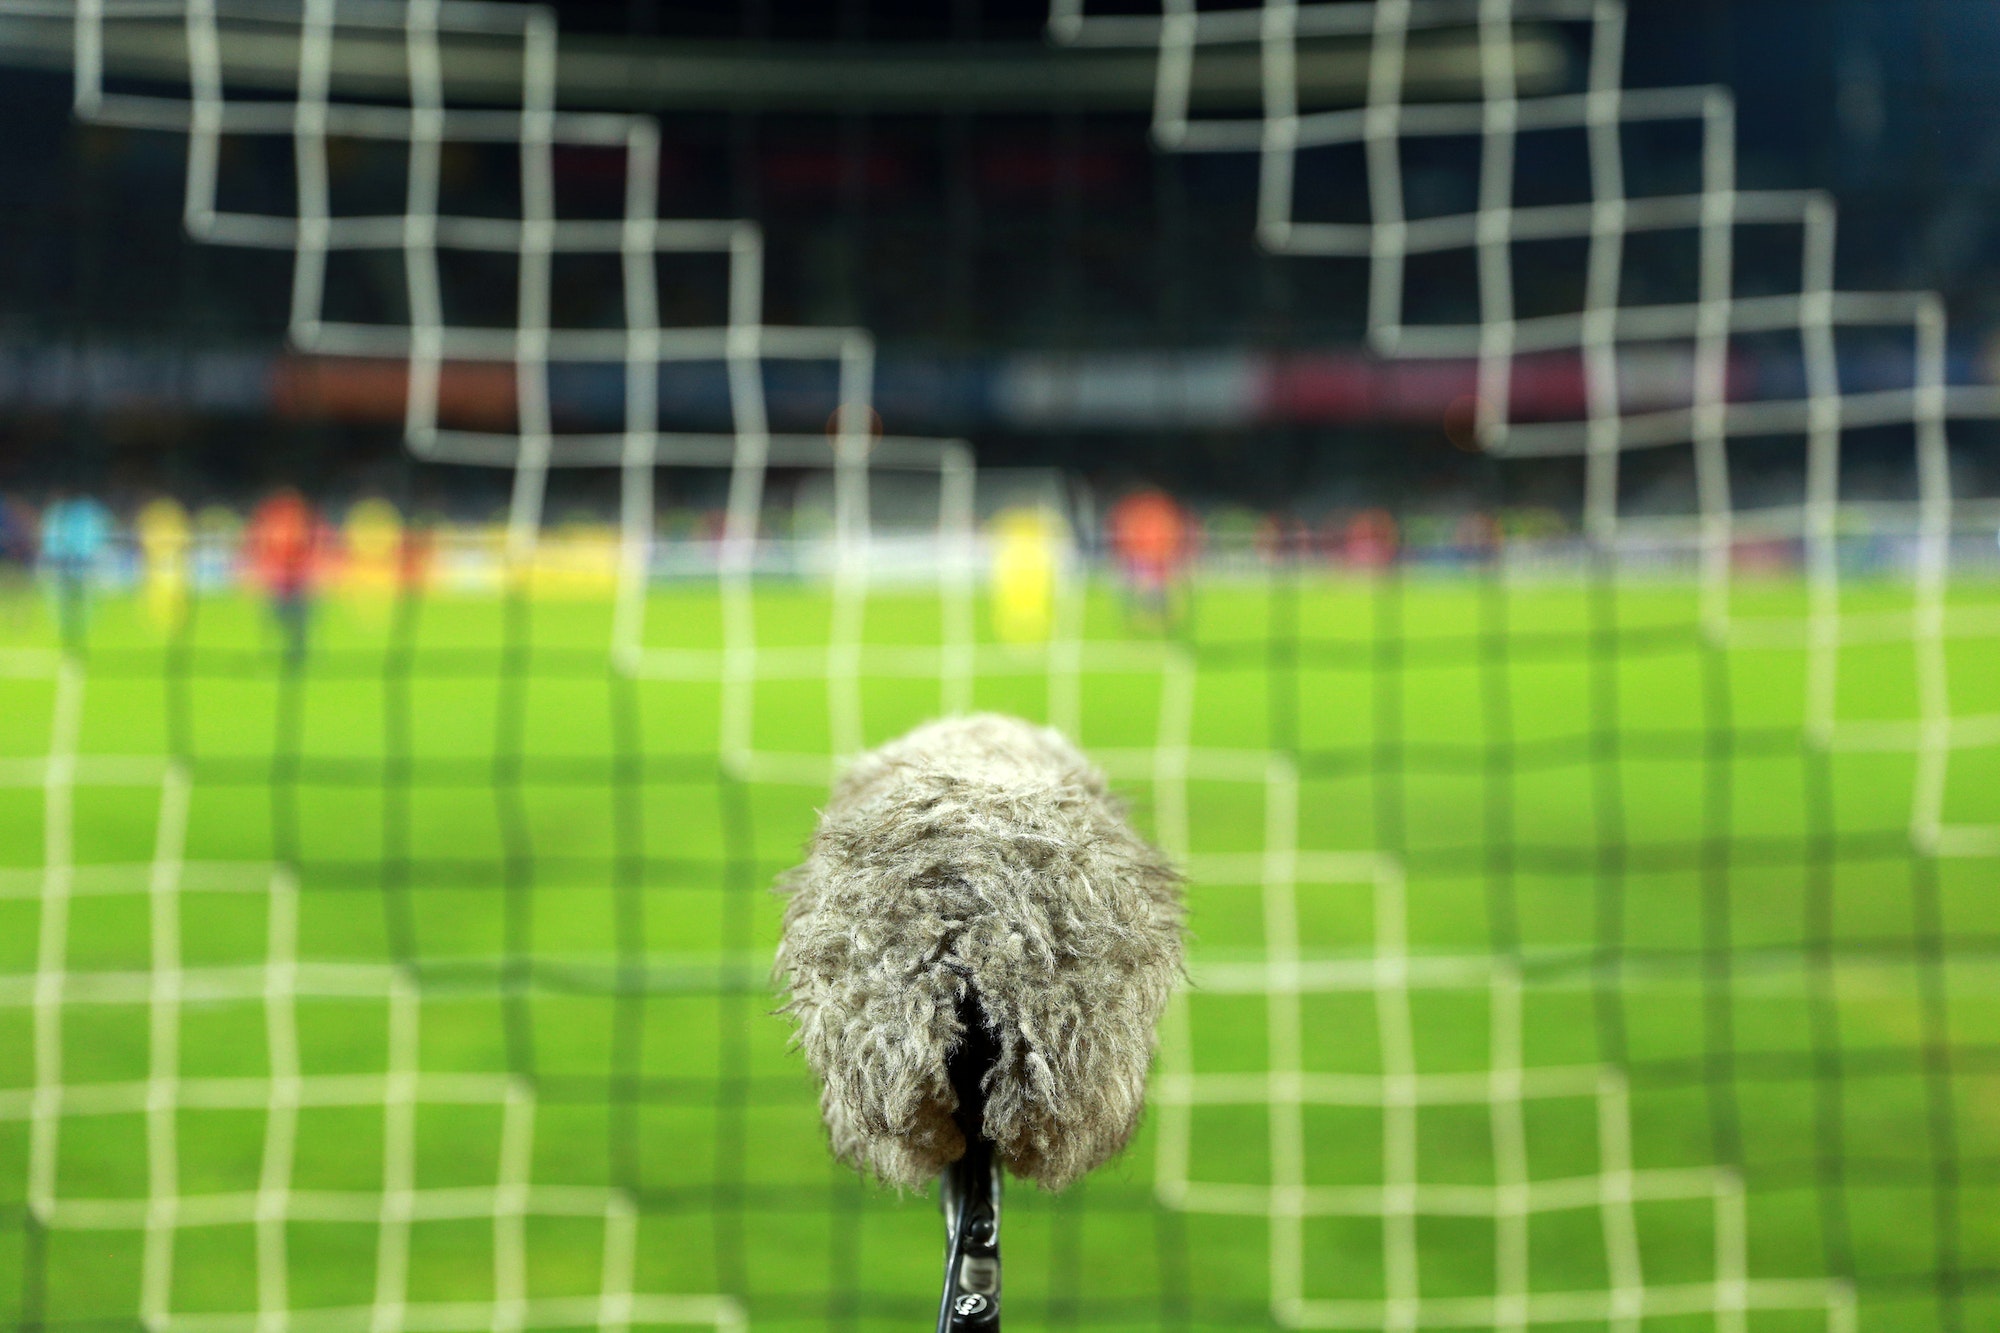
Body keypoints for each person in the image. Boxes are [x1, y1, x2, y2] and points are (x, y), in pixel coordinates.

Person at [244, 488, 321, 666]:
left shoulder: (299, 523)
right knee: (277, 619)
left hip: (295, 580)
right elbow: (263, 549)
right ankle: (274, 653)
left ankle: (296, 654)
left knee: (298, 622)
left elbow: (306, 550)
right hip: (280, 580)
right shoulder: (277, 524)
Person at [1105, 487, 1193, 628]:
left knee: (1167, 588)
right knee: (1143, 588)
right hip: (1146, 557)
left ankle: (1167, 617)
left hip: (1159, 557)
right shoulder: (1142, 519)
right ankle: (1143, 618)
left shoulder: (1160, 519)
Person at [38, 491, 113, 652]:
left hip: (75, 563)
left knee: (77, 600)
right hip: (68, 563)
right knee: (69, 601)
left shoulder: (69, 512)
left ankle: (75, 632)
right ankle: (72, 631)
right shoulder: (63, 513)